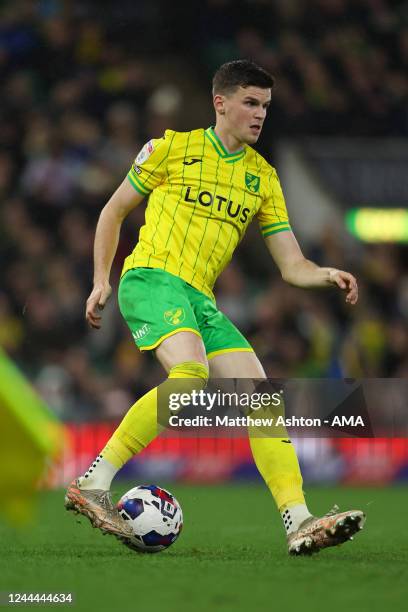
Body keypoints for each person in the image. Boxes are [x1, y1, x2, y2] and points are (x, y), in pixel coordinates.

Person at [65, 60, 365, 555]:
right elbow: (112, 211)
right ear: (220, 103)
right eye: (250, 102)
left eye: (266, 106)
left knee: (264, 399)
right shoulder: (170, 148)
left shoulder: (262, 177)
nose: (260, 114)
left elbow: (292, 264)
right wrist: (101, 279)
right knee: (190, 375)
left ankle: (299, 520)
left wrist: (324, 273)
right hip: (152, 278)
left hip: (200, 299)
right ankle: (94, 481)